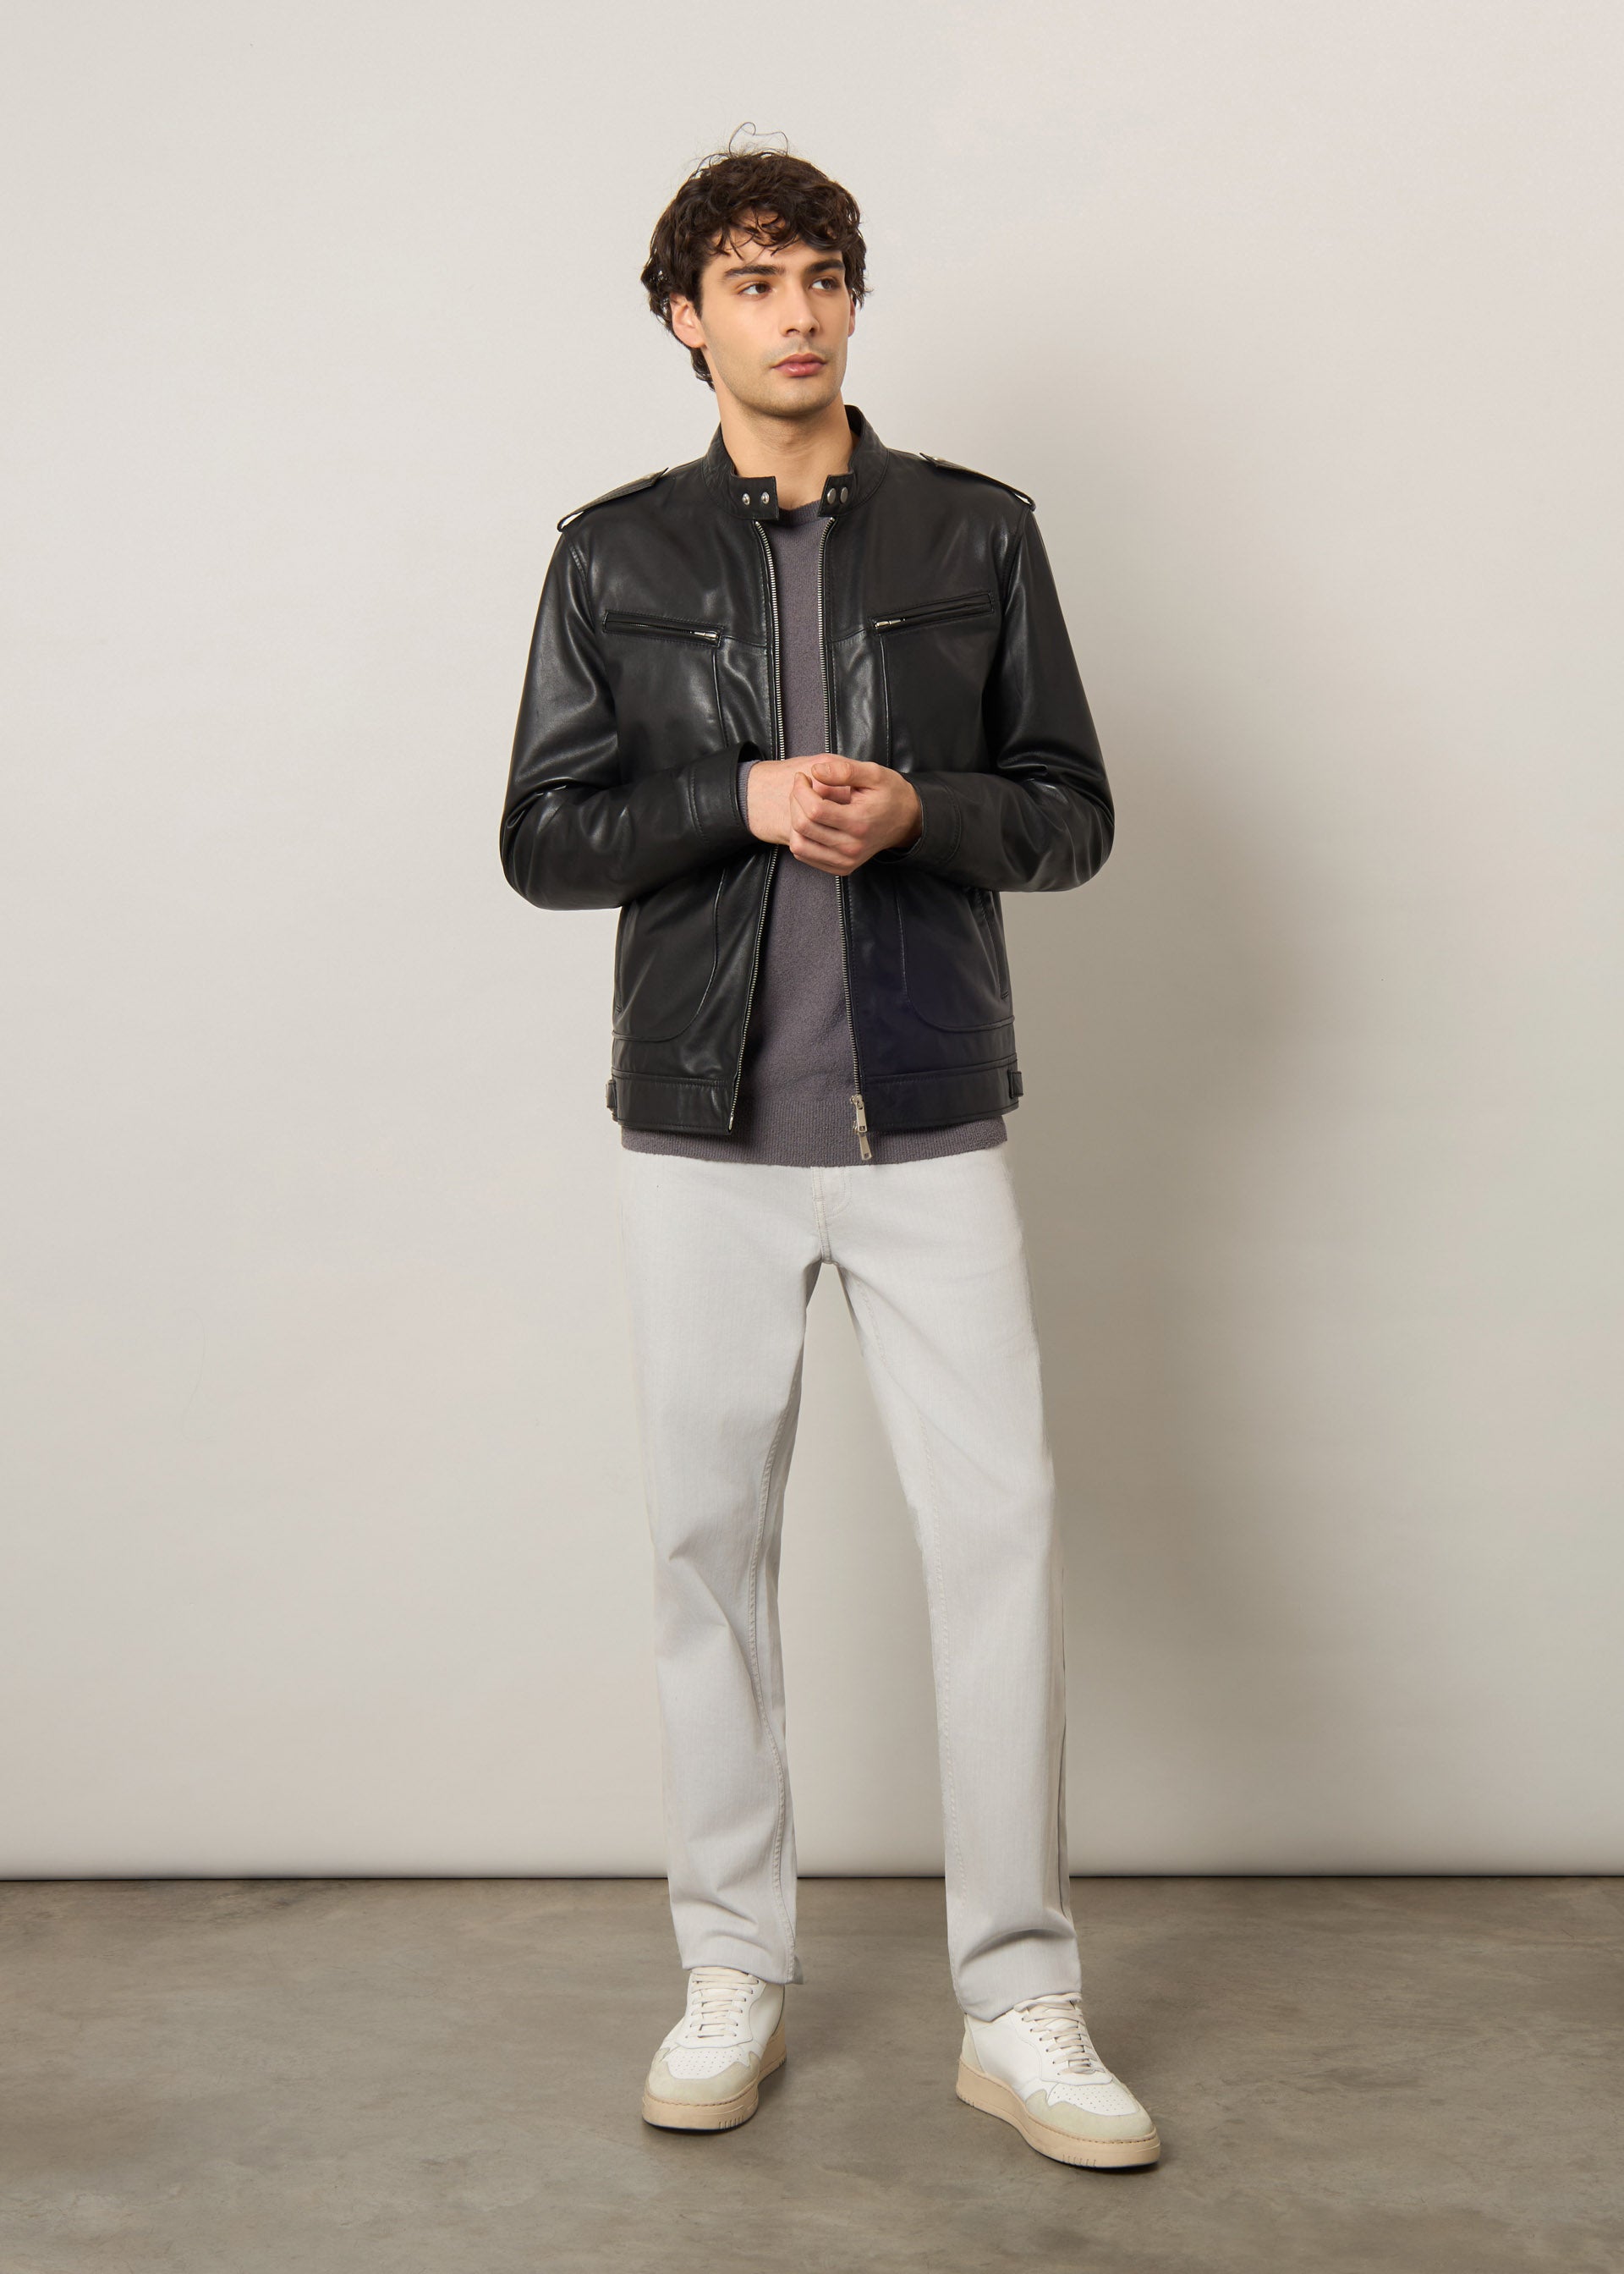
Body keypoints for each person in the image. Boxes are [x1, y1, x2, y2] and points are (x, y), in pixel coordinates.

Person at [498, 140, 1159, 2171]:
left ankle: (1020, 1999)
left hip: (925, 1115)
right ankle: (733, 1970)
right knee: (707, 1552)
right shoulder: (612, 555)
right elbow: (545, 837)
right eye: (755, 280)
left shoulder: (978, 532)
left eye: (825, 277)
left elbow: (1071, 808)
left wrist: (925, 813)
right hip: (700, 1130)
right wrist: (739, 793)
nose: (799, 314)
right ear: (684, 317)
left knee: (1002, 1539)